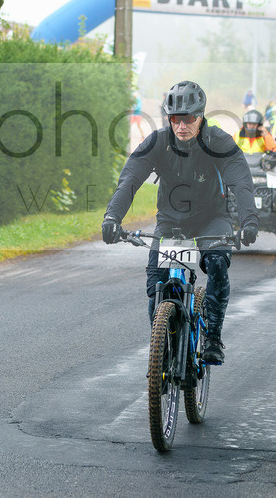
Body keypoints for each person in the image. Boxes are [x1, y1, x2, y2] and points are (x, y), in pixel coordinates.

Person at [102, 80, 259, 364]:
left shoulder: (219, 141)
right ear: (169, 118)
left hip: (211, 219)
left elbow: (241, 181)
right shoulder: (157, 142)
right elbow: (130, 179)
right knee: (156, 287)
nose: (181, 125)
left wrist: (249, 220)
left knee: (217, 263)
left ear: (201, 117)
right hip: (170, 221)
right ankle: (161, 349)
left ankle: (212, 337)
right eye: (175, 118)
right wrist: (112, 216)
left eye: (188, 118)